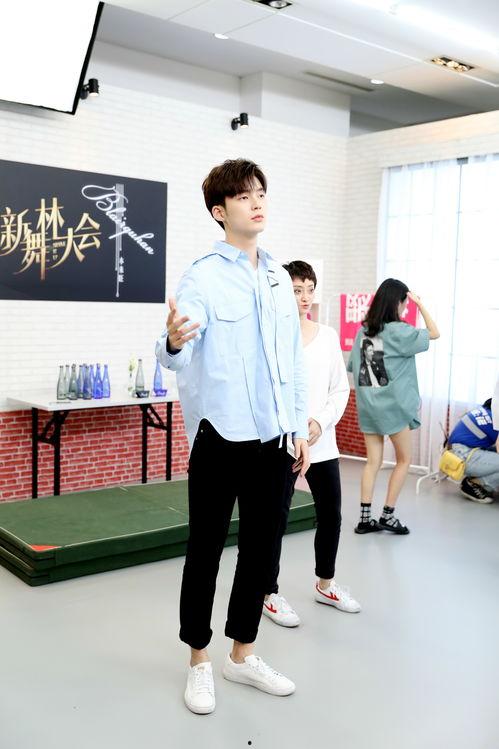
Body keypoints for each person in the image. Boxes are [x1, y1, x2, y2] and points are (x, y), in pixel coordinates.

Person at [155, 159, 309, 715]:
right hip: (220, 436)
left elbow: (291, 360)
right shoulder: (202, 277)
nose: (257, 202)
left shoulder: (278, 277)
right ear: (220, 212)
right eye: (244, 196)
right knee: (205, 552)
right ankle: (199, 659)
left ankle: (242, 655)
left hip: (274, 438)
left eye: (260, 192)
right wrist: (173, 341)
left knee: (261, 552)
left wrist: (298, 427)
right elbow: (177, 352)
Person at [263, 261, 360, 629]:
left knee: (331, 515)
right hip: (284, 444)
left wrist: (320, 422)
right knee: (275, 519)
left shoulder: (328, 336)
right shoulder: (272, 337)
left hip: (322, 442)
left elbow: (340, 388)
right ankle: (268, 593)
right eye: (296, 290)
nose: (304, 298)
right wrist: (293, 429)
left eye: (309, 290)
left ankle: (326, 584)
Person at [347, 279, 439, 535]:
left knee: (372, 462)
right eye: (406, 303)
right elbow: (434, 333)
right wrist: (421, 305)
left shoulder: (364, 330)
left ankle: (365, 519)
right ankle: (387, 516)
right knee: (404, 460)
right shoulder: (400, 331)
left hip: (368, 407)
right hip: (393, 408)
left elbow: (355, 368)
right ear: (398, 302)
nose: (407, 307)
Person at [447, 398, 499, 503]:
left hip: (457, 453)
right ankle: (474, 484)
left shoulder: (482, 412)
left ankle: (477, 481)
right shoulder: (495, 421)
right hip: (463, 456)